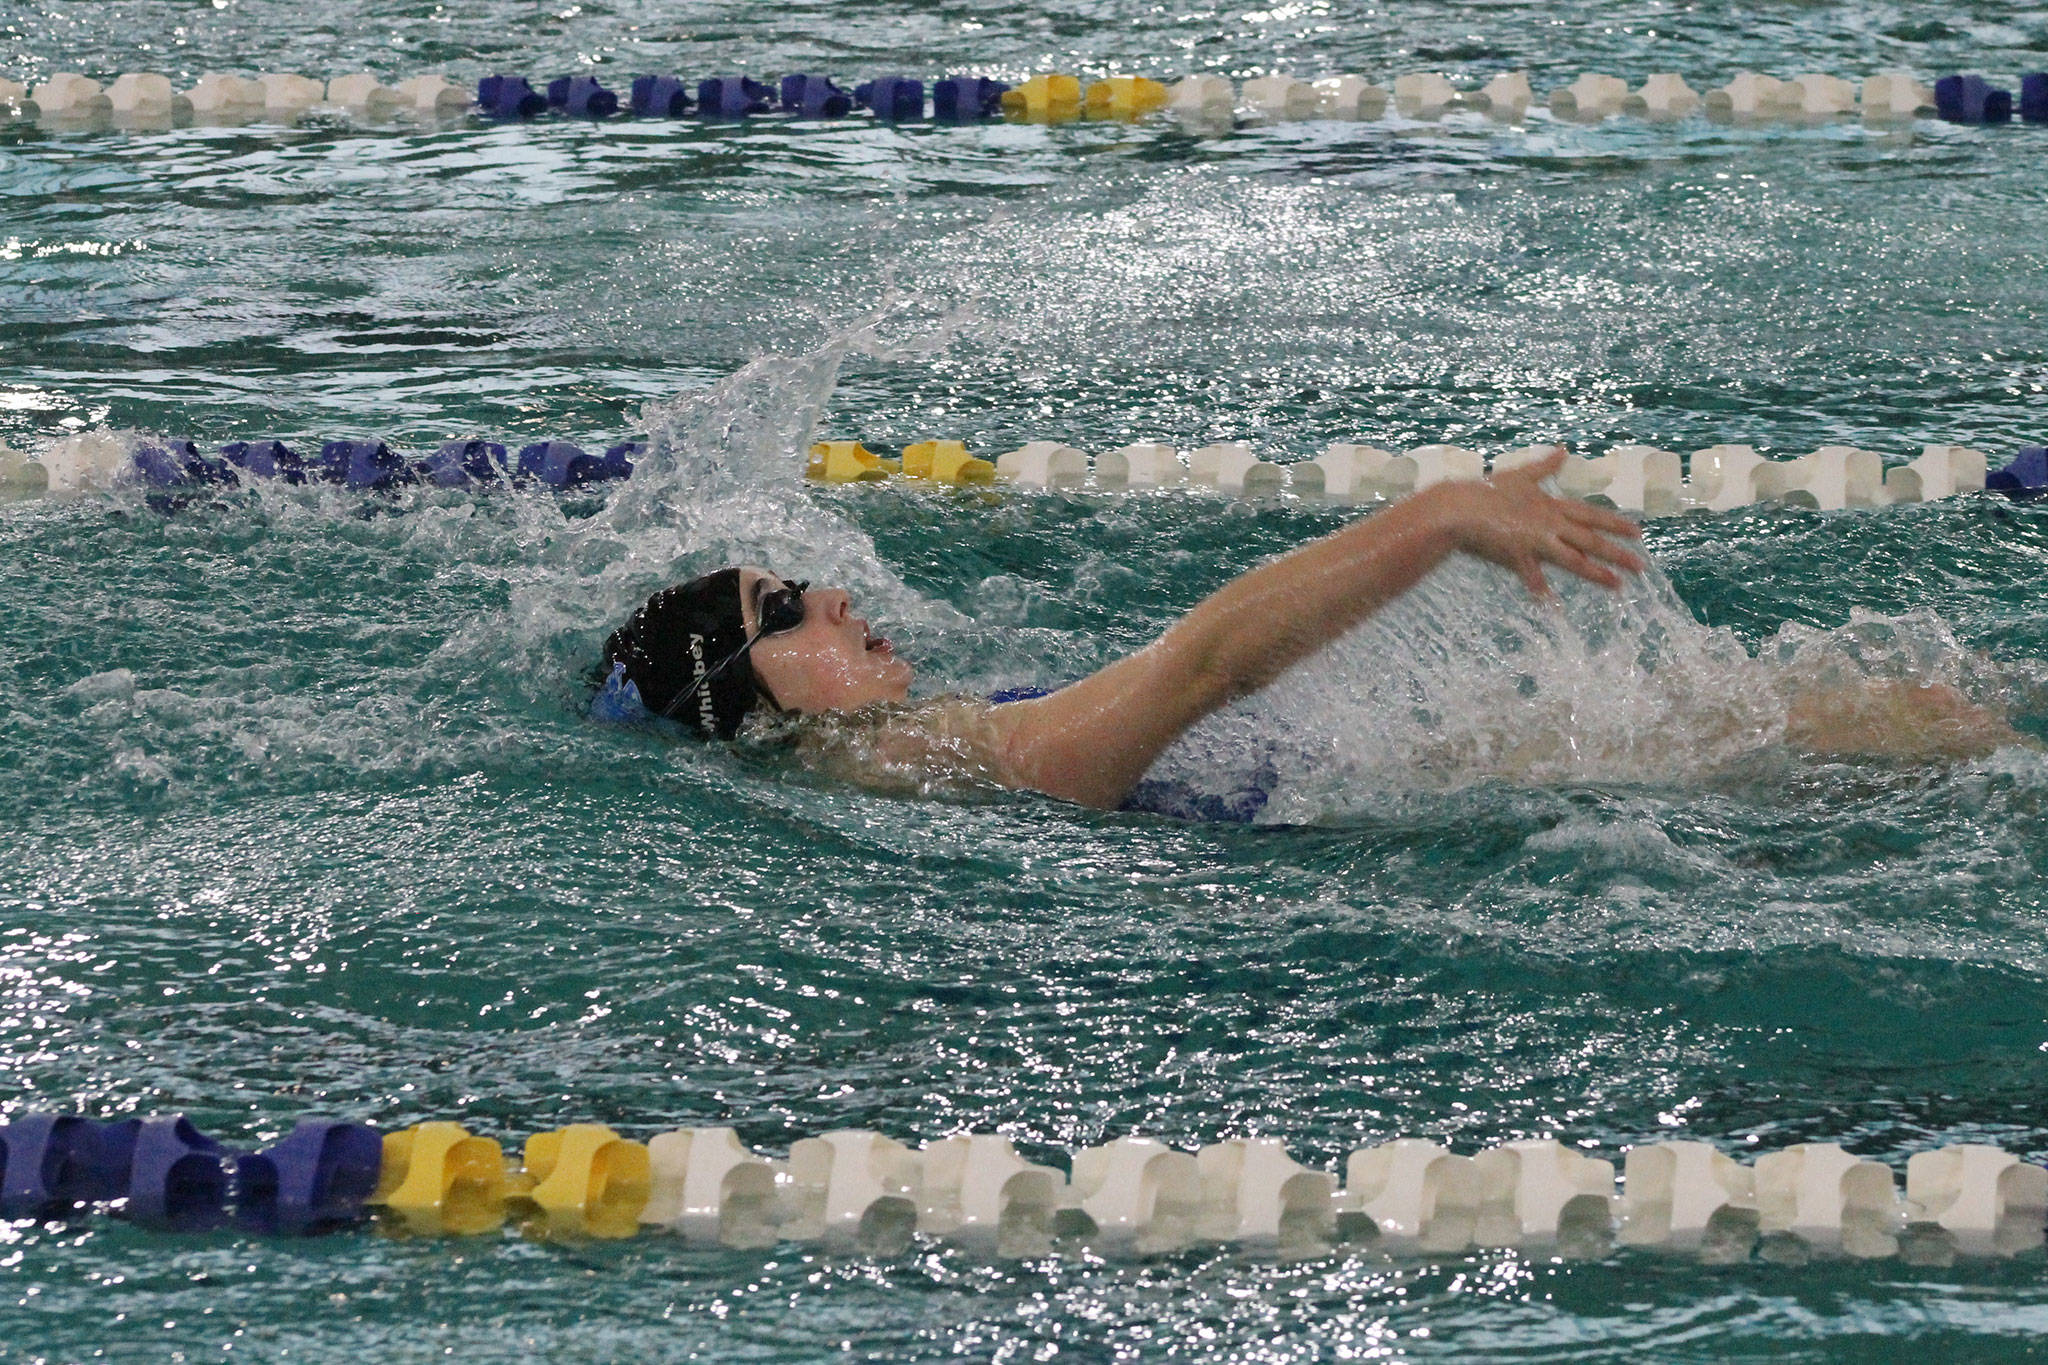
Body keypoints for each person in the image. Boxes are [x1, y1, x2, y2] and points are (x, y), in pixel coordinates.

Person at [595, 448, 2016, 813]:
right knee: (1902, 721)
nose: (832, 598)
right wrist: (1433, 519)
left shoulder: (908, 752)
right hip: (1407, 801)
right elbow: (1202, 669)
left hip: (1359, 776)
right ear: (739, 704)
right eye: (782, 613)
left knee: (1882, 703)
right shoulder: (921, 764)